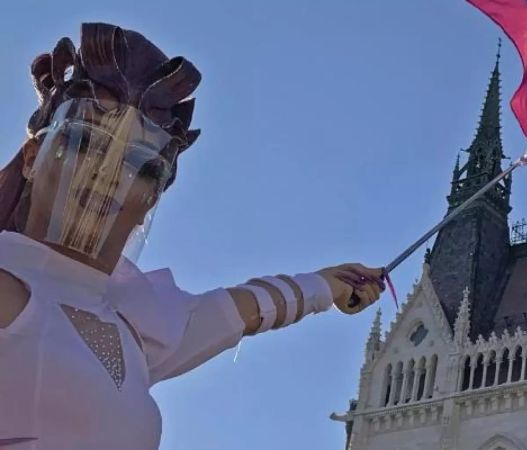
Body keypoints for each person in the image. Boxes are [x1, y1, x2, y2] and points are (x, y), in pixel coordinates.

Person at [0, 23, 384, 449]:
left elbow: (237, 311)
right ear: (33, 156)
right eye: (86, 143)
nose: (106, 174)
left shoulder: (132, 323)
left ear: (154, 195)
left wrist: (327, 284)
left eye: (138, 164)